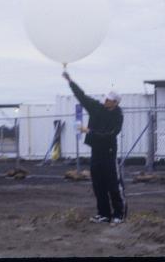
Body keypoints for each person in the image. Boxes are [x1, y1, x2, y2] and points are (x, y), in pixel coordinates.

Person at [62, 71, 126, 225]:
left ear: (115, 102)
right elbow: (82, 96)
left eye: (109, 100)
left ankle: (119, 214)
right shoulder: (97, 108)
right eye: (106, 98)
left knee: (113, 184)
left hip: (109, 153)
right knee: (98, 184)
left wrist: (89, 131)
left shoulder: (118, 116)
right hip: (96, 152)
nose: (105, 101)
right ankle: (103, 214)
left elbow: (111, 134)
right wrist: (70, 81)